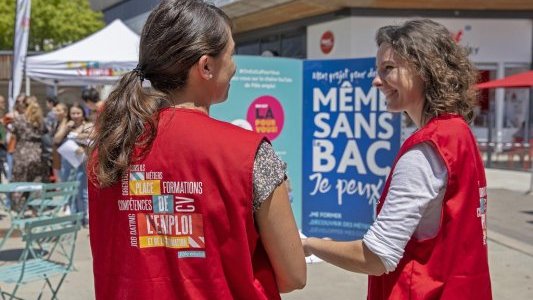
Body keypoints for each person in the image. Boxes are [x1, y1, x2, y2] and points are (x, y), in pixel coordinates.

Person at [87, 1, 306, 299]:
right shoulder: (249, 152)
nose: (235, 66)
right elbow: (293, 275)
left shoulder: (110, 149)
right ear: (205, 66)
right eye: (231, 54)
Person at [302, 19, 492, 299]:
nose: (376, 80)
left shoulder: (424, 151)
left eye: (388, 69)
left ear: (425, 69)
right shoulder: (458, 133)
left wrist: (309, 245)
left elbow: (377, 257)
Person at [54, 103, 93, 225]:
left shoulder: (88, 125)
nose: (75, 116)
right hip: (67, 161)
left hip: (82, 160)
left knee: (82, 190)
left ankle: (84, 217)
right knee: (69, 187)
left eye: (78, 113)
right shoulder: (66, 125)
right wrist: (66, 128)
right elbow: (56, 139)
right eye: (73, 113)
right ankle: (72, 216)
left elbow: (93, 137)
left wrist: (79, 137)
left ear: (83, 114)